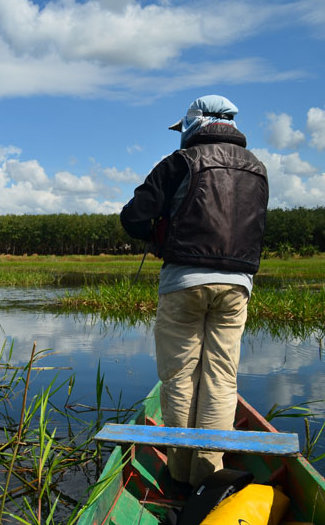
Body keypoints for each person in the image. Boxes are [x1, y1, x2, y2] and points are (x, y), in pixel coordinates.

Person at [120, 95, 269, 488]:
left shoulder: (179, 162)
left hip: (185, 280)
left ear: (193, 124)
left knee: (180, 378)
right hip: (238, 285)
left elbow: (132, 217)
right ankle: (209, 475)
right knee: (221, 378)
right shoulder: (258, 168)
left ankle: (180, 474)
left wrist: (159, 239)